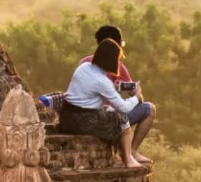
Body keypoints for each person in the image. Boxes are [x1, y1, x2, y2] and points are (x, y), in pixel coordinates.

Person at [58, 38, 154, 169]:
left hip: (66, 118)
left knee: (108, 113)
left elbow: (88, 89)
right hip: (83, 121)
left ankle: (126, 155)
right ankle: (128, 158)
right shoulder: (102, 81)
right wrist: (137, 97)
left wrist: (112, 87)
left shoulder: (84, 67)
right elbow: (123, 107)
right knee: (121, 118)